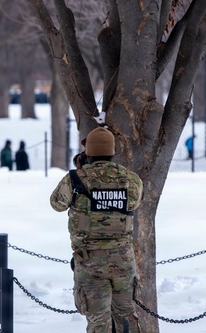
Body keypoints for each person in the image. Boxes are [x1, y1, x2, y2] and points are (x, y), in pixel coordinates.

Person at [50, 126, 143, 333]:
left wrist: (80, 172)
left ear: (88, 153)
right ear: (112, 152)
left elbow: (56, 204)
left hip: (89, 262)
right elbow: (135, 202)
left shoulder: (75, 180)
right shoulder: (131, 180)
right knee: (126, 318)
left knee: (98, 323)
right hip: (123, 262)